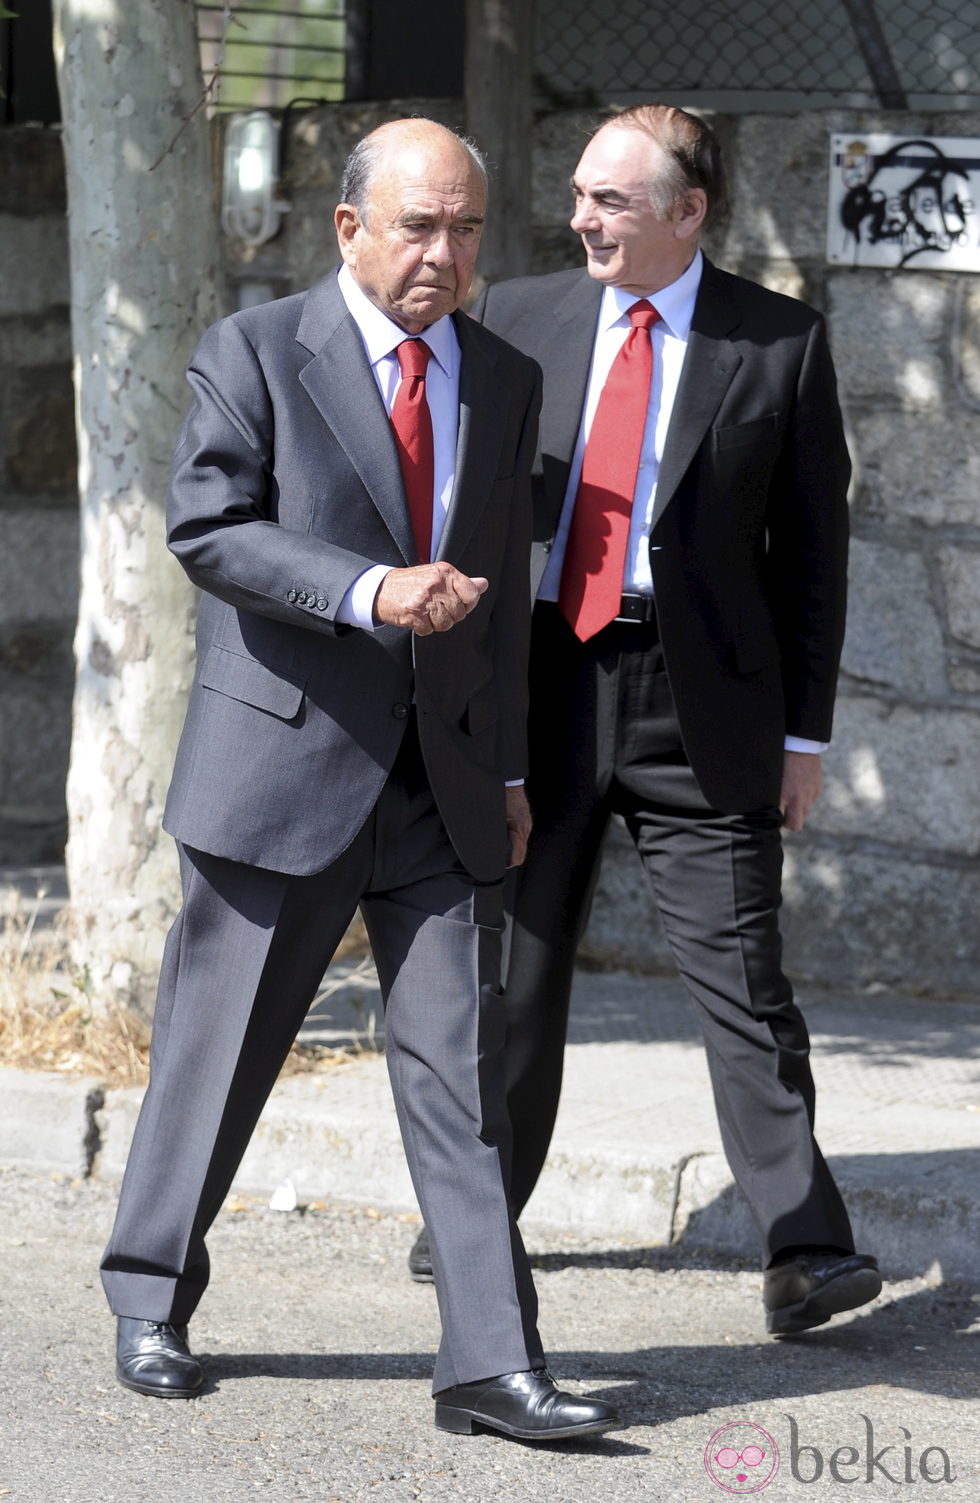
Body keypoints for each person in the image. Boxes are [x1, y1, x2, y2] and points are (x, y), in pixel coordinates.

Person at [99, 118, 620, 1442]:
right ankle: (151, 1290)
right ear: (349, 228)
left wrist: (505, 762)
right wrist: (366, 588)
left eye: (463, 228)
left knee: (461, 1070)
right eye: (416, 227)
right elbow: (209, 528)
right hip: (278, 765)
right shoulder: (257, 352)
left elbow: (499, 604)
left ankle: (490, 1361)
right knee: (221, 1055)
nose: (444, 253)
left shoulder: (502, 378)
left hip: (441, 787)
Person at [408, 104, 881, 1338]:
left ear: (688, 213)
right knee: (511, 972)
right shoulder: (514, 316)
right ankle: (475, 1214)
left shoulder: (775, 343)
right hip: (541, 694)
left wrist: (802, 738)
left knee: (742, 983)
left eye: (612, 200)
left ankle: (806, 1247)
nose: (581, 217)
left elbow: (812, 562)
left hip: (701, 709)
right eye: (578, 193)